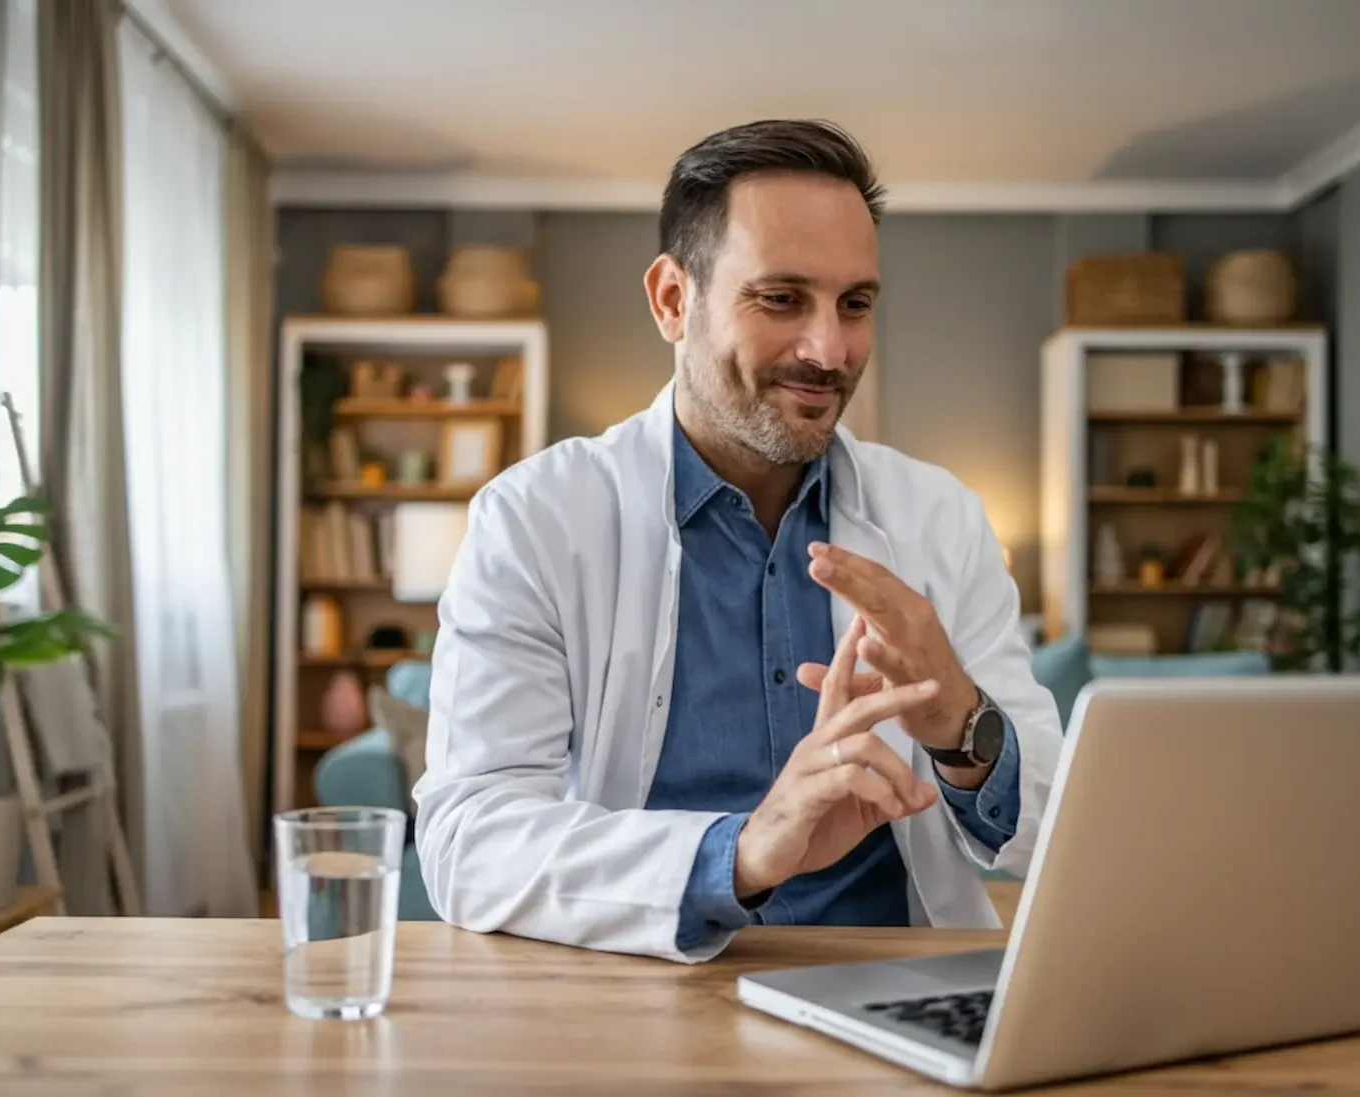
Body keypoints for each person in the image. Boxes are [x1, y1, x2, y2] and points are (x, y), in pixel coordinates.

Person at [412, 119, 1062, 963]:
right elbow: (468, 841)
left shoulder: (939, 517)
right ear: (672, 300)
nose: (829, 350)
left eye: (855, 304)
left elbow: (1050, 821)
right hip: (636, 988)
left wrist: (960, 723)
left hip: (896, 984)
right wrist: (742, 853)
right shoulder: (534, 520)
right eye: (781, 298)